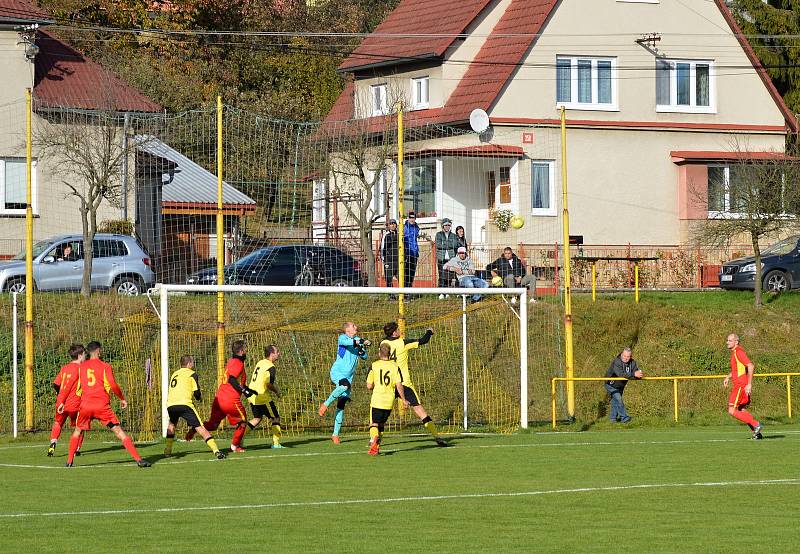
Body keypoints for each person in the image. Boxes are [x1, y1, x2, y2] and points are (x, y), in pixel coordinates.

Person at [65, 341, 150, 467]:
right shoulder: (105, 366)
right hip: (102, 407)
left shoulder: (81, 367)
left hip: (86, 407)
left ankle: (69, 461)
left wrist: (63, 401)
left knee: (77, 431)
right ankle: (138, 460)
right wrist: (122, 398)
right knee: (119, 432)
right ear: (99, 351)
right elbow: (113, 385)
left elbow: (73, 386)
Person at [381, 321, 447, 447]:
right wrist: (429, 332)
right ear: (394, 332)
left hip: (388, 383)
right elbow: (423, 340)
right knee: (419, 410)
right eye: (398, 330)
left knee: (382, 413)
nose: (400, 331)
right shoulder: (403, 343)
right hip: (404, 383)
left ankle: (374, 439)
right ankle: (437, 437)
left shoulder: (383, 344)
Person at [185, 340, 253, 453]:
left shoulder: (232, 361)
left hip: (219, 398)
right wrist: (244, 391)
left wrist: (249, 390)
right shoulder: (238, 363)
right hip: (230, 400)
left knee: (213, 425)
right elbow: (232, 379)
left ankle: (195, 428)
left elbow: (238, 381)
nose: (246, 351)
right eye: (245, 349)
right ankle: (235, 446)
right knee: (243, 422)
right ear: (241, 351)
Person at [164, 355, 226, 459]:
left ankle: (168, 450)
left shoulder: (175, 373)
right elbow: (196, 392)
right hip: (185, 404)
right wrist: (199, 398)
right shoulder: (192, 374)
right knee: (200, 427)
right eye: (192, 362)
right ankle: (216, 451)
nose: (193, 364)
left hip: (171, 404)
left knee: (172, 425)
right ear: (189, 364)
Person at [318, 322, 370, 444]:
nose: (356, 327)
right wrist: (361, 342)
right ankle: (325, 404)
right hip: (338, 373)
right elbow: (351, 343)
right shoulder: (342, 338)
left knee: (341, 405)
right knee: (344, 385)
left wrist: (362, 351)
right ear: (347, 330)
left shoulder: (357, 340)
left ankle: (335, 434)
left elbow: (365, 356)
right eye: (353, 326)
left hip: (349, 377)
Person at [366, 343, 408, 456]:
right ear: (389, 354)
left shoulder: (374, 365)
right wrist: (404, 399)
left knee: (374, 424)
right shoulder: (395, 366)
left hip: (377, 400)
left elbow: (369, 386)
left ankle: (374, 439)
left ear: (380, 353)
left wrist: (376, 386)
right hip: (389, 402)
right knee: (381, 425)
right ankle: (376, 448)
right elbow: (399, 385)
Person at [243, 345, 285, 449]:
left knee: (257, 418)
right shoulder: (271, 367)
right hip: (262, 397)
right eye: (277, 351)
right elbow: (268, 384)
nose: (278, 353)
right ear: (271, 354)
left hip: (252, 395)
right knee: (275, 418)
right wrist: (277, 391)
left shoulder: (260, 362)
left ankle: (238, 438)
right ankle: (276, 443)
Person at [48, 344, 86, 457]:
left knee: (58, 423)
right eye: (84, 354)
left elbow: (56, 384)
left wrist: (61, 395)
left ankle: (53, 443)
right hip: (75, 403)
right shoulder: (82, 369)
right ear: (80, 355)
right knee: (79, 427)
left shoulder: (64, 368)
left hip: (61, 402)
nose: (85, 357)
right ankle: (76, 449)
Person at [724, 334, 763, 439]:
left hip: (741, 386)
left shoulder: (739, 352)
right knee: (741, 409)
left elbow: (750, 366)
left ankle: (756, 424)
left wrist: (749, 384)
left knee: (732, 410)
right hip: (741, 386)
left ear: (736, 342)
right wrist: (728, 377)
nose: (727, 342)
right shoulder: (735, 353)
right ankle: (757, 434)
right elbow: (737, 370)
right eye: (727, 340)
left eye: (729, 340)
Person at [604, 347, 643, 423]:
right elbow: (620, 374)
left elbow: (634, 375)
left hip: (620, 385)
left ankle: (612, 419)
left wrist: (639, 375)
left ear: (631, 356)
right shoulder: (617, 361)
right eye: (624, 356)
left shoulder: (633, 363)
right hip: (610, 384)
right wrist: (634, 374)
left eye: (628, 357)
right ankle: (625, 418)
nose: (625, 358)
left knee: (615, 401)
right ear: (621, 354)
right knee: (618, 399)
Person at [434, 218, 459, 295]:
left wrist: (444, 244)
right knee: (442, 276)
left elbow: (455, 244)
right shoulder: (439, 234)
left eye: (449, 225)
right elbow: (438, 245)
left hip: (450, 259)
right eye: (445, 225)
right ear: (442, 226)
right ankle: (441, 293)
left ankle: (447, 292)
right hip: (442, 258)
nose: (447, 227)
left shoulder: (454, 235)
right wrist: (449, 244)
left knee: (449, 276)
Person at [403, 211, 421, 289]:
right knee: (406, 273)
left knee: (412, 273)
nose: (412, 219)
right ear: (408, 218)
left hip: (414, 252)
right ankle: (405, 290)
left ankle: (409, 290)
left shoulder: (417, 228)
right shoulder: (404, 227)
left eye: (413, 218)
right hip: (407, 253)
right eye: (410, 218)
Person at [380, 219, 399, 288]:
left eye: (394, 223)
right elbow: (382, 248)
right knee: (389, 279)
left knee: (402, 279)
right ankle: (391, 296)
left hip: (399, 261)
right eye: (391, 224)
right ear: (389, 226)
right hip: (389, 261)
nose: (393, 225)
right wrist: (384, 259)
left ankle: (403, 295)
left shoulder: (399, 234)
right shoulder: (386, 235)